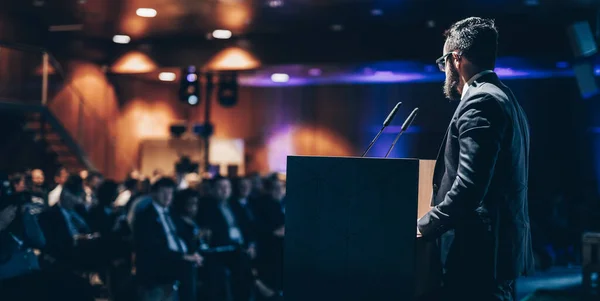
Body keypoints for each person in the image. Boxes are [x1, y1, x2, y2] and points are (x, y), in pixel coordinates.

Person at [416, 17, 535, 300]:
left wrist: (424, 226)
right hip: (495, 253)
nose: (444, 70)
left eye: (443, 61)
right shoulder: (507, 98)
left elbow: (470, 187)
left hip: (476, 254)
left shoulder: (480, 102)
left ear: (456, 59)